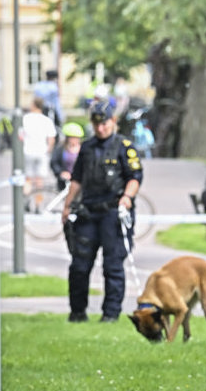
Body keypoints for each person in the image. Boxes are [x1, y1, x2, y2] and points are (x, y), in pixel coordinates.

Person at [61, 99, 144, 324]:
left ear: (113, 121)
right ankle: (77, 313)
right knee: (79, 265)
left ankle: (111, 314)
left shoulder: (124, 146)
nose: (100, 128)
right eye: (96, 124)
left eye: (104, 123)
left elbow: (135, 178)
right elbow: (77, 179)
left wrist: (127, 198)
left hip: (112, 212)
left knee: (112, 265)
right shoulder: (87, 148)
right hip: (89, 212)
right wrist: (67, 206)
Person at [19, 97, 57, 194]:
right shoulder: (47, 120)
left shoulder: (25, 118)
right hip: (42, 152)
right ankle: (38, 204)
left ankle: (26, 199)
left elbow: (20, 136)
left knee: (28, 178)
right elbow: (51, 139)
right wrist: (48, 150)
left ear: (33, 105)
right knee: (40, 180)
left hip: (28, 151)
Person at [49, 122, 84, 192]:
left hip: (79, 181)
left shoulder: (83, 149)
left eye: (76, 138)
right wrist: (61, 172)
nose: (74, 140)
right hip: (64, 182)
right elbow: (53, 162)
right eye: (71, 137)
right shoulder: (60, 149)